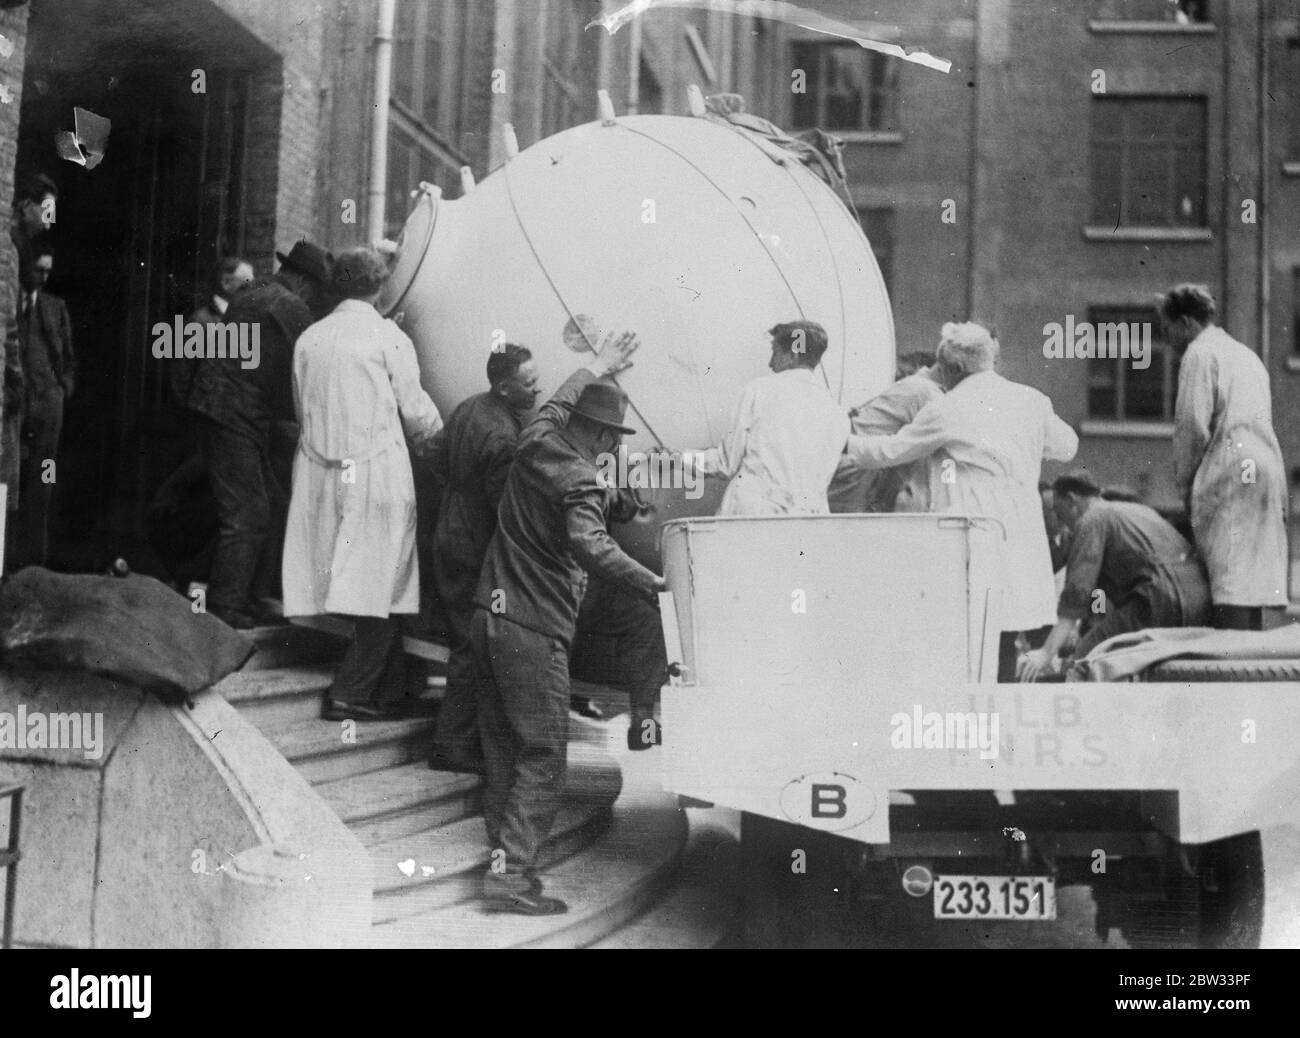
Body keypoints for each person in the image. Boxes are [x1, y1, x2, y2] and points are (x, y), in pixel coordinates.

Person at [470, 334, 663, 915]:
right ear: (604, 437)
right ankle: (510, 878)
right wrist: (653, 582)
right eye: (610, 438)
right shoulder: (581, 479)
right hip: (532, 631)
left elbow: (554, 404)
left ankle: (502, 864)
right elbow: (591, 546)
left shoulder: (536, 438)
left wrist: (592, 368)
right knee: (546, 755)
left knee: (505, 750)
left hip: (487, 618)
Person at [842, 322, 1079, 681]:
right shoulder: (1031, 400)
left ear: (954, 369)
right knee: (1001, 632)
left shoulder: (949, 407)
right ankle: (993, 720)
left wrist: (840, 440)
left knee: (964, 637)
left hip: (972, 533)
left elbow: (891, 450)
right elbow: (1066, 447)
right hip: (1019, 535)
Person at [282, 246, 443, 720]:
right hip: (375, 471)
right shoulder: (386, 336)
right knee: (383, 580)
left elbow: (298, 405)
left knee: (363, 581)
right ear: (380, 286)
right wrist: (441, 441)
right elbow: (415, 410)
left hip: (318, 469)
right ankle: (350, 692)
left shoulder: (310, 337)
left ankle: (389, 691)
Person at [188, 240, 331, 628]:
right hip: (234, 413)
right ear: (302, 280)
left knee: (273, 502)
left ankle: (249, 594)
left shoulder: (254, 288)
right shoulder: (288, 304)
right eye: (317, 289)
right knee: (248, 511)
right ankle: (225, 606)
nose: (317, 297)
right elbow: (313, 355)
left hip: (221, 406)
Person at [426, 343, 540, 771]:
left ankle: (458, 738)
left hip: (448, 529)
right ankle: (453, 744)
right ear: (506, 388)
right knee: (471, 646)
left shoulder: (470, 407)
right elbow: (504, 507)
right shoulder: (504, 437)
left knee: (465, 640)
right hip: (475, 544)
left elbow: (434, 455)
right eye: (529, 383)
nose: (537, 389)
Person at [1164, 284, 1288, 630]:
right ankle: (1248, 663)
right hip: (1265, 466)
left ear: (1186, 323)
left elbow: (1191, 426)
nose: (1167, 338)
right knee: (1252, 577)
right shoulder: (1246, 356)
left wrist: (1187, 489)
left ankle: (1227, 668)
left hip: (1229, 466)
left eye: (1167, 328)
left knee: (1228, 576)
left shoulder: (1199, 354)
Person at [1017, 471, 1211, 681]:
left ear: (1072, 501)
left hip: (1162, 597)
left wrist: (1046, 652)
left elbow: (1077, 592)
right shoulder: (1133, 510)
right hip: (1198, 599)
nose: (1061, 522)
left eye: (1058, 511)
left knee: (1091, 653)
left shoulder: (1092, 519)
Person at [687, 320, 849, 515]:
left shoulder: (758, 391)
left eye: (775, 352)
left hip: (754, 516)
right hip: (807, 524)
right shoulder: (838, 414)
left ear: (793, 354)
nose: (770, 363)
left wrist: (674, 460)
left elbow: (724, 463)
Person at [4, 174, 58, 569]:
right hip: (10, 396)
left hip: (36, 405)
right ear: (24, 205)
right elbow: (6, 324)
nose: (48, 222)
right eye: (46, 211)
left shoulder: (14, 251)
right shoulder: (7, 252)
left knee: (29, 482)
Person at [7, 249, 74, 570]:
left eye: (48, 271)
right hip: (14, 408)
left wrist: (62, 389)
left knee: (43, 478)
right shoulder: (8, 304)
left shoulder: (55, 306)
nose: (43, 277)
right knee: (9, 477)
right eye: (38, 270)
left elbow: (67, 355)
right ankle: (5, 561)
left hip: (48, 408)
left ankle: (35, 563)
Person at [828, 349, 944, 513]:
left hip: (851, 465)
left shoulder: (918, 387)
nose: (899, 376)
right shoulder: (926, 393)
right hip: (855, 470)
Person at [172, 256, 254, 409]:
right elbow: (181, 379)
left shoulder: (244, 320)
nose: (252, 289)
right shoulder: (200, 322)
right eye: (246, 283)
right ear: (226, 283)